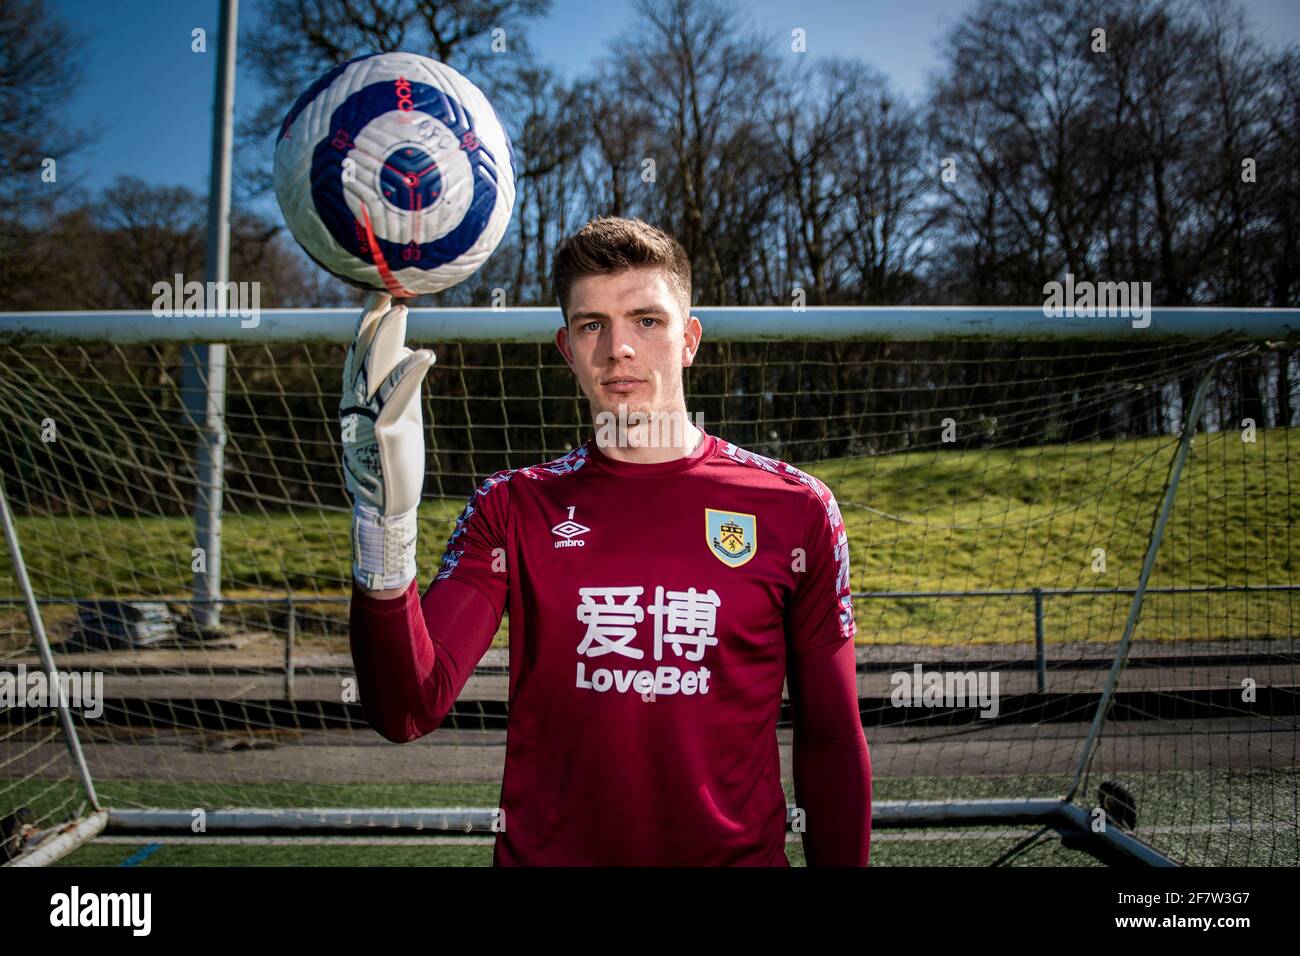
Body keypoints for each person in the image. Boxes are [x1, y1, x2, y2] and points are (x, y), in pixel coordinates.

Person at [344, 215, 870, 866]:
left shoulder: (797, 509)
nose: (618, 348)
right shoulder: (511, 507)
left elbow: (831, 739)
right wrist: (383, 526)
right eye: (593, 324)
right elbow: (406, 709)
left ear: (689, 339)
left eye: (647, 320)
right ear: (567, 347)